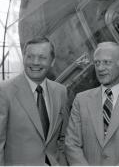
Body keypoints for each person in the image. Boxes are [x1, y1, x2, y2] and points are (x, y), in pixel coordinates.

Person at [65, 41, 119, 165]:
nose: (100, 68)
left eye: (107, 62)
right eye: (97, 63)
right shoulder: (81, 100)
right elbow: (72, 144)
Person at [0, 37, 68, 165]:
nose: (35, 62)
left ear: (52, 61)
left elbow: (63, 137)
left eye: (42, 57)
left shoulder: (61, 92)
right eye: (30, 56)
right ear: (24, 58)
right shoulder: (4, 91)